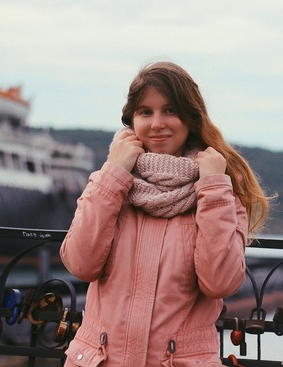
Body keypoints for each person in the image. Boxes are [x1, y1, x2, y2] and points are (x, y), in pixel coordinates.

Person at [60, 61, 271, 367]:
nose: (157, 123)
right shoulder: (112, 184)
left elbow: (220, 283)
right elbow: (80, 263)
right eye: (145, 112)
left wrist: (213, 187)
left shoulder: (218, 192)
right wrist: (113, 173)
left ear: (191, 117)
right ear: (132, 120)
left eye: (170, 110)